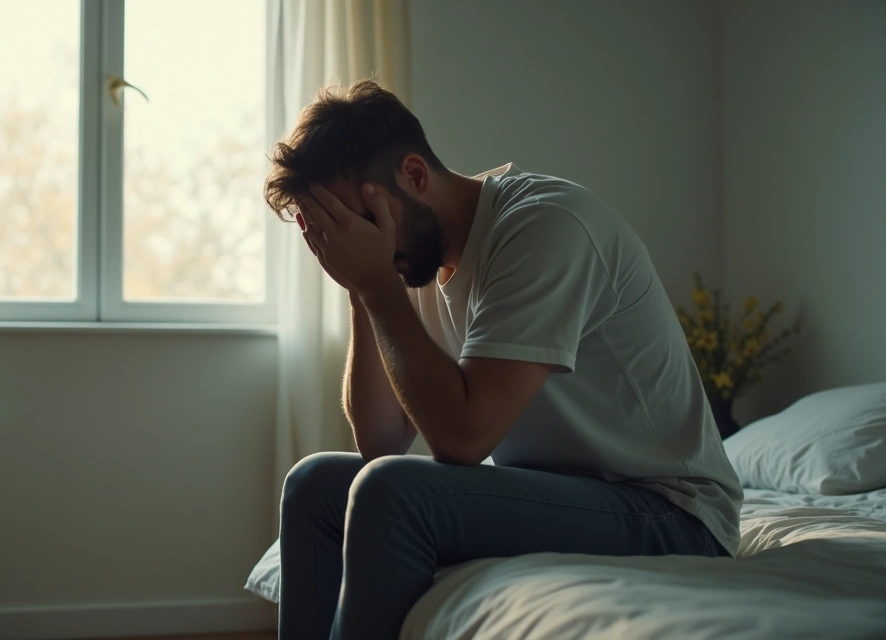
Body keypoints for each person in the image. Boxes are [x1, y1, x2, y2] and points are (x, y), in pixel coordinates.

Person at [263, 80, 743, 640]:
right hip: (568, 495)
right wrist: (358, 285)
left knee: (390, 494)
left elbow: (464, 439)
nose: (360, 244)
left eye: (361, 224)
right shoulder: (410, 254)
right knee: (315, 484)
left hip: (673, 514)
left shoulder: (544, 227)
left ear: (415, 176)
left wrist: (376, 286)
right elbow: (381, 441)